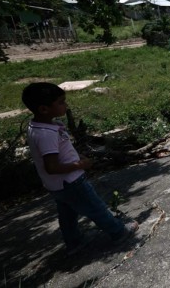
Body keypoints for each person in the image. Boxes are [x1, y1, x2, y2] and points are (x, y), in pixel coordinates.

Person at [21, 82, 138, 255]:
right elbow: (52, 166)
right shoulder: (46, 134)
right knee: (95, 207)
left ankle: (74, 242)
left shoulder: (37, 127)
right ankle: (119, 232)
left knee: (67, 214)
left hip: (55, 185)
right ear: (44, 109)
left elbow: (58, 153)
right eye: (61, 102)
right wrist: (80, 165)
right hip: (70, 181)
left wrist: (76, 157)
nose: (65, 105)